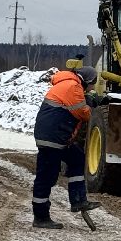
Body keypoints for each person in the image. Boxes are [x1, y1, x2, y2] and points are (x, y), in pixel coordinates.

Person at [31, 64, 101, 228]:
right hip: (52, 137)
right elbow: (83, 113)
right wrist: (90, 103)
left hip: (56, 136)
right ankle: (41, 217)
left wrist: (87, 100)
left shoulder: (68, 84)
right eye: (92, 84)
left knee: (77, 158)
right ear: (87, 80)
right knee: (46, 176)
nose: (92, 88)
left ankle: (78, 200)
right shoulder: (73, 86)